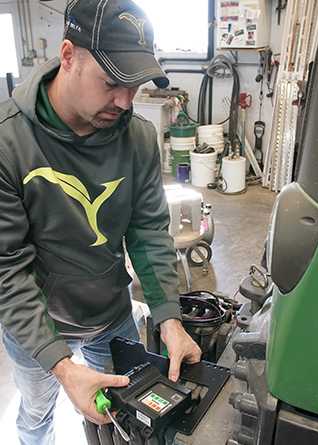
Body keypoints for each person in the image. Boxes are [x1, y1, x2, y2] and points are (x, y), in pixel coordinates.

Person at [0, 0, 201, 443]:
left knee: (135, 412)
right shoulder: (7, 142)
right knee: (37, 414)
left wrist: (169, 318)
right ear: (68, 56)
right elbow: (6, 268)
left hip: (110, 313)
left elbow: (148, 231)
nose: (126, 101)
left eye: (135, 85)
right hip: (39, 324)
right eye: (112, 83)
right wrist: (62, 367)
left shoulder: (138, 138)